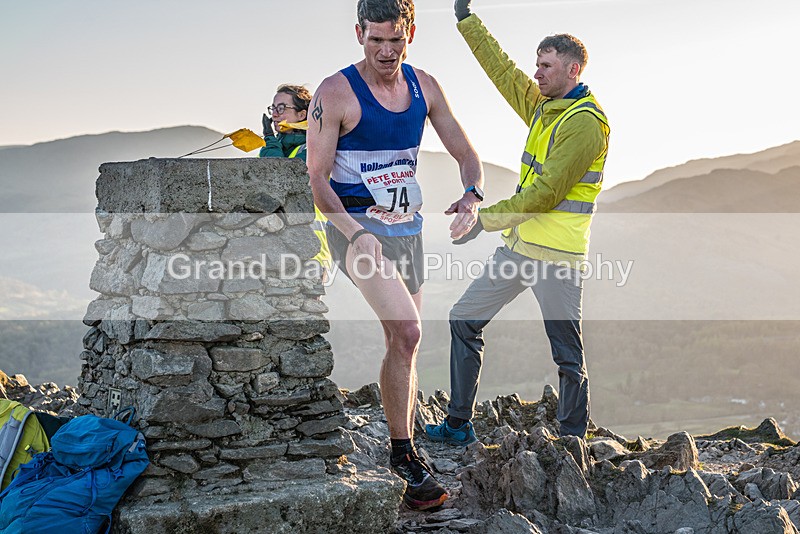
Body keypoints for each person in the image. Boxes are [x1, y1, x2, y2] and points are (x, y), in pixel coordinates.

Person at [306, 0, 484, 511]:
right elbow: (317, 181)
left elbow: (466, 153)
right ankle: (404, 456)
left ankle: (403, 440)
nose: (386, 51)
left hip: (407, 230)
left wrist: (471, 195)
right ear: (359, 33)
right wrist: (353, 231)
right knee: (409, 330)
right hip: (354, 227)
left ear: (411, 32)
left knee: (401, 340)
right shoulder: (335, 92)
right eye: (375, 40)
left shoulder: (425, 86)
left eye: (395, 40)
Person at [425, 0, 610, 445]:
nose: (538, 73)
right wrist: (466, 20)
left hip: (559, 258)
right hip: (520, 249)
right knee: (464, 319)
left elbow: (545, 194)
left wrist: (480, 219)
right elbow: (502, 71)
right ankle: (458, 425)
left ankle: (571, 441)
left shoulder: (585, 124)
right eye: (538, 65)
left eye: (547, 66)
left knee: (567, 356)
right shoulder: (545, 107)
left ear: (574, 69)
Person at [260, 84, 331, 272]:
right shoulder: (278, 146)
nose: (275, 114)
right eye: (273, 108)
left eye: (282, 108)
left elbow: (279, 176)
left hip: (312, 246)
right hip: (280, 245)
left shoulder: (312, 147)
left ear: (302, 115)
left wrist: (269, 138)